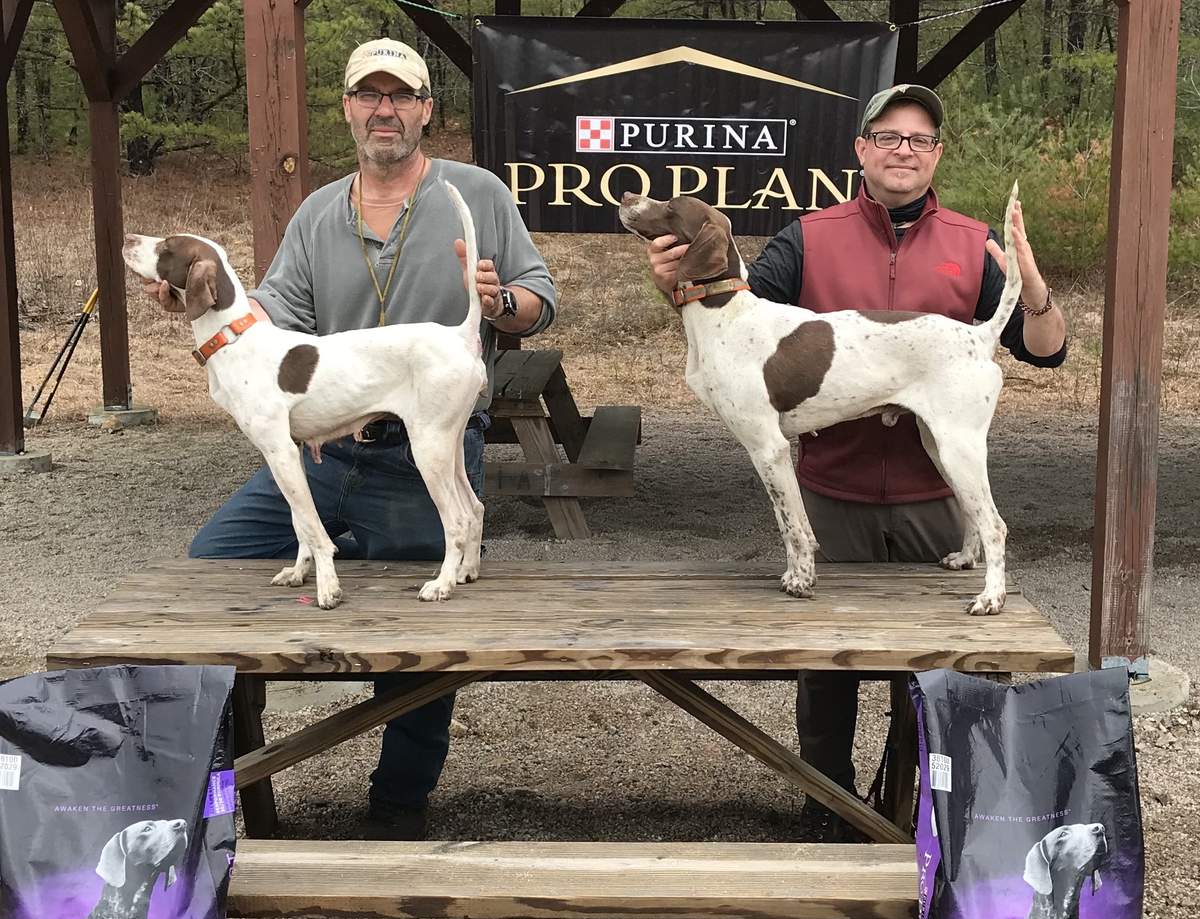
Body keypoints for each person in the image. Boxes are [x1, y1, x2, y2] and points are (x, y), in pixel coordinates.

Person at [143, 39, 557, 840]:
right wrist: (198, 305)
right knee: (204, 573)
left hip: (418, 452)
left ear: (426, 108)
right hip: (323, 451)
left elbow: (540, 301)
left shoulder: (477, 192)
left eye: (399, 96)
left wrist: (498, 298)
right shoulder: (319, 210)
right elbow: (268, 314)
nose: (383, 110)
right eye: (367, 96)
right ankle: (230, 785)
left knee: (417, 648)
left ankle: (398, 804)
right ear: (347, 110)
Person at [645, 84, 1067, 841]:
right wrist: (678, 285)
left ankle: (946, 823)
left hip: (928, 504)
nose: (904, 150)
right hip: (835, 496)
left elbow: (1047, 351)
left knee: (943, 677)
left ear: (937, 154)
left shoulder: (974, 242)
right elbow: (739, 312)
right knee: (827, 675)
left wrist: (1032, 290)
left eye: (919, 139)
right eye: (888, 136)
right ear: (861, 149)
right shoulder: (806, 236)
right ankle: (827, 809)